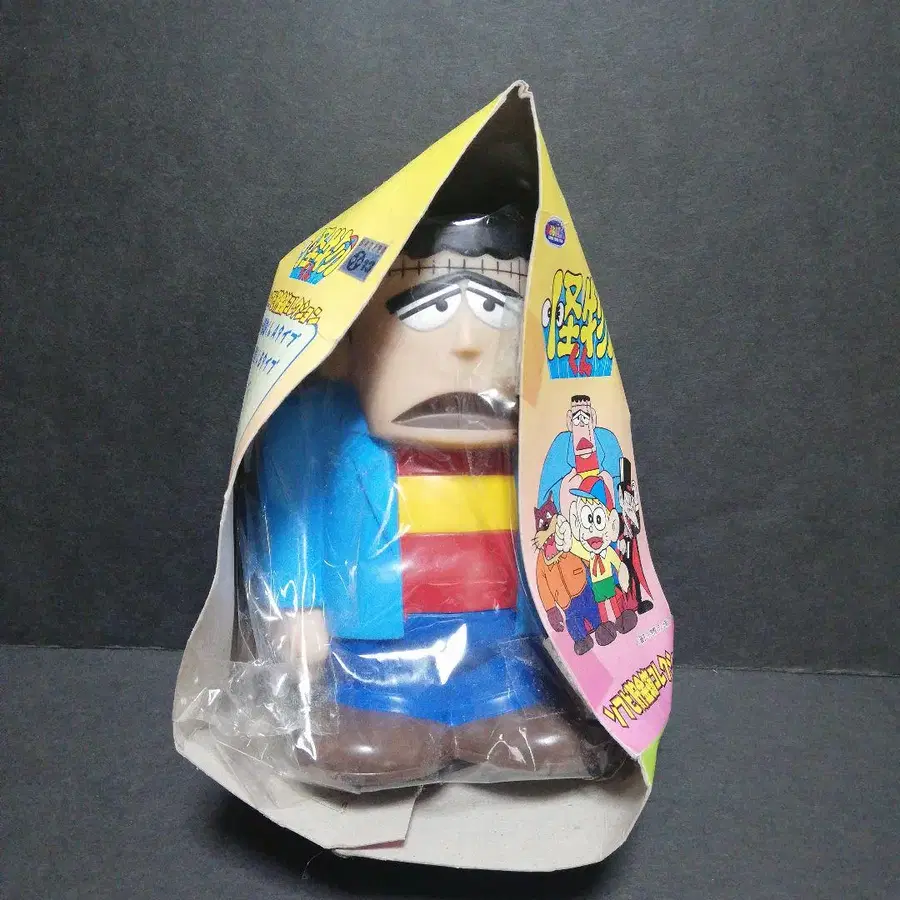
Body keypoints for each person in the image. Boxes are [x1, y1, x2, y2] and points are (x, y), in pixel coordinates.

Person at [248, 207, 620, 788]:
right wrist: (297, 605)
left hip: (505, 649)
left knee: (520, 703)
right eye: (430, 309)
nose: (468, 345)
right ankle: (389, 712)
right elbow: (296, 512)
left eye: (499, 309)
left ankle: (501, 707)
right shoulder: (325, 431)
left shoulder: (542, 443)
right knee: (377, 728)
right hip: (378, 658)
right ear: (351, 342)